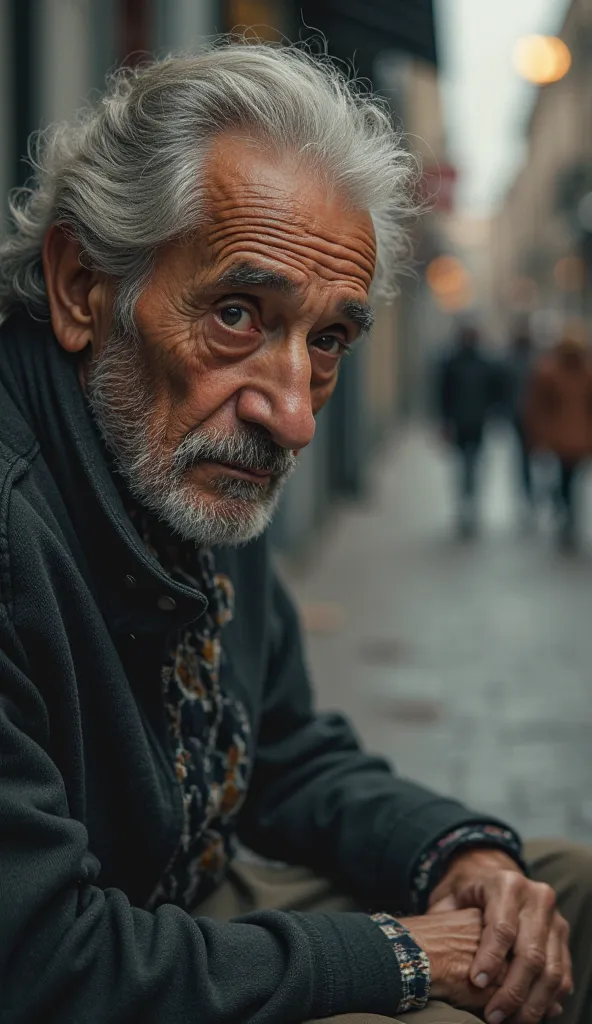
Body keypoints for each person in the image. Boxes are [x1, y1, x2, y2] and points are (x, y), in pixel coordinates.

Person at [0, 43, 590, 1024]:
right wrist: (399, 956)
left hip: (186, 895)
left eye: (326, 342)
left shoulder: (192, 458)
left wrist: (456, 849)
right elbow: (42, 962)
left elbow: (278, 750)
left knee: (549, 896)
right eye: (236, 313)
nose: (293, 413)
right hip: (93, 954)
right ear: (80, 287)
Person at [526, 322, 592, 548]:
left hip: (572, 438)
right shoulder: (551, 373)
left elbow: (538, 408)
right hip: (568, 438)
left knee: (569, 481)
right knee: (568, 481)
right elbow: (539, 408)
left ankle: (567, 518)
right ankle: (568, 519)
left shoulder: (576, 373)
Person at [435, 325, 501, 537]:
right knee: (465, 464)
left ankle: (469, 503)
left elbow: (494, 392)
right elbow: (443, 395)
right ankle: (466, 503)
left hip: (475, 423)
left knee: (471, 464)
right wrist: (444, 422)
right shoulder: (454, 364)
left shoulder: (479, 364)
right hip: (462, 423)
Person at [503, 328, 536, 521]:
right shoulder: (538, 362)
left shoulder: (512, 362)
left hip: (521, 416)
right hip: (524, 417)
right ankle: (529, 494)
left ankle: (529, 493)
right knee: (527, 458)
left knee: (524, 458)